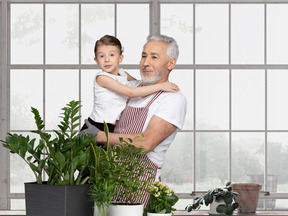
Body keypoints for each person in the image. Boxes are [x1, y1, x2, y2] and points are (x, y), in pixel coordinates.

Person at [96, 34, 187, 205]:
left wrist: (99, 137)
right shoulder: (131, 87)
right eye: (144, 55)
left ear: (171, 64)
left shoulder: (173, 99)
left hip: (140, 185)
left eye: (154, 57)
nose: (145, 63)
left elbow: (146, 143)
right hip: (108, 183)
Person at [79, 35, 179, 135]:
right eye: (102, 56)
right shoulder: (102, 78)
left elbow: (141, 86)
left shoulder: (123, 74)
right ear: (96, 60)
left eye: (112, 55)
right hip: (96, 126)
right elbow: (131, 92)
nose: (107, 60)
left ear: (120, 58)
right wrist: (161, 86)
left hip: (111, 128)